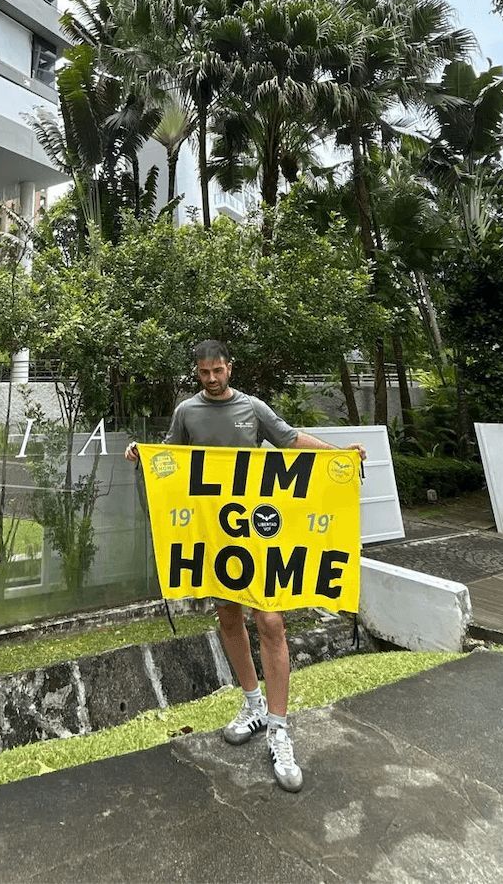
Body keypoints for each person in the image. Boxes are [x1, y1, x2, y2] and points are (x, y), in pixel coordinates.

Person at [126, 339, 366, 792]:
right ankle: (252, 704)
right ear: (196, 373)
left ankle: (279, 729)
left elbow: (291, 439)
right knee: (228, 616)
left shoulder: (252, 407)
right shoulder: (187, 412)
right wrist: (144, 455)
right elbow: (171, 459)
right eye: (204, 373)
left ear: (230, 369)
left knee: (270, 620)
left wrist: (339, 456)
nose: (212, 380)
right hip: (217, 538)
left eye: (218, 371)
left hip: (258, 534)